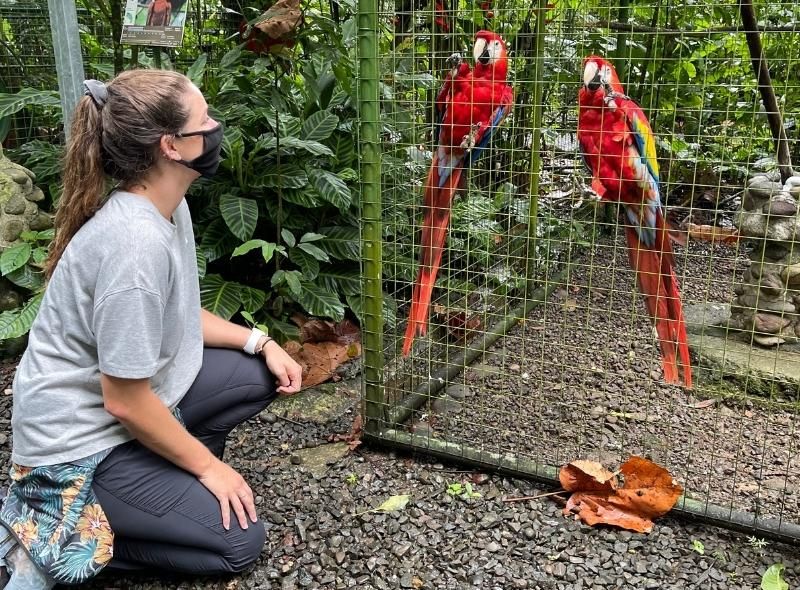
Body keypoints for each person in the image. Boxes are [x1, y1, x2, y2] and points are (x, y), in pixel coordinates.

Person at [0, 70, 303, 588]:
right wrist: (211, 468)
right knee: (239, 544)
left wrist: (263, 341)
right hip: (79, 440)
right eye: (204, 121)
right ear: (172, 146)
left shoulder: (169, 206)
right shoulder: (132, 246)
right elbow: (124, 400)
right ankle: (67, 542)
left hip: (126, 408)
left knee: (253, 373)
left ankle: (162, 472)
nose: (215, 128)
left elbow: (179, 319)